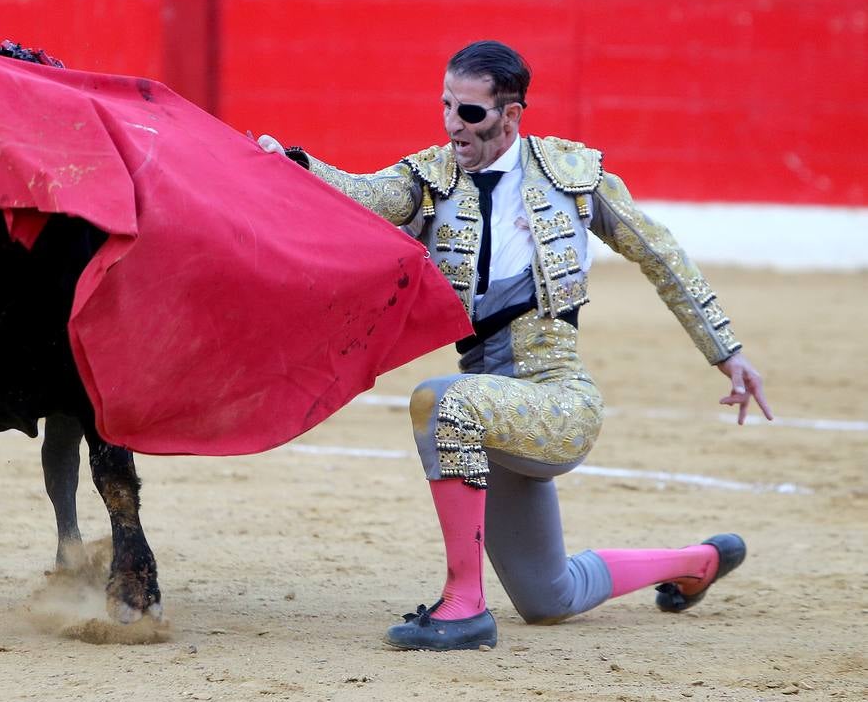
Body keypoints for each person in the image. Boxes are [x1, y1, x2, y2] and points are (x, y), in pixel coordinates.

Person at [257, 40, 772, 651]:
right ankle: (694, 562)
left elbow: (661, 255)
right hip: (490, 405)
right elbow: (361, 194)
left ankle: (464, 605)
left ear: (511, 115)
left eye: (470, 113)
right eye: (446, 105)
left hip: (558, 400)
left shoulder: (571, 174)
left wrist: (728, 352)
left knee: (441, 402)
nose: (453, 124)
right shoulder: (431, 177)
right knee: (549, 597)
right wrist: (291, 163)